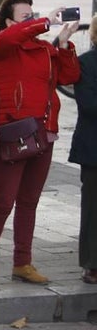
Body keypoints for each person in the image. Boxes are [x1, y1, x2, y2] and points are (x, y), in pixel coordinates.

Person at [0, 0, 80, 287]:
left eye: (33, 15)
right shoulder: (0, 43)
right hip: (13, 133)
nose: (32, 20)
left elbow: (70, 76)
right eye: (25, 17)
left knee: (29, 203)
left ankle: (22, 263)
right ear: (8, 22)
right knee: (2, 203)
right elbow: (12, 38)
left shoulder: (44, 49)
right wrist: (44, 22)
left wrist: (64, 43)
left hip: (44, 133)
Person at [69, 21, 97, 285]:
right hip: (93, 147)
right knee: (93, 207)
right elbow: (88, 104)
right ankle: (92, 263)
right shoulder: (87, 62)